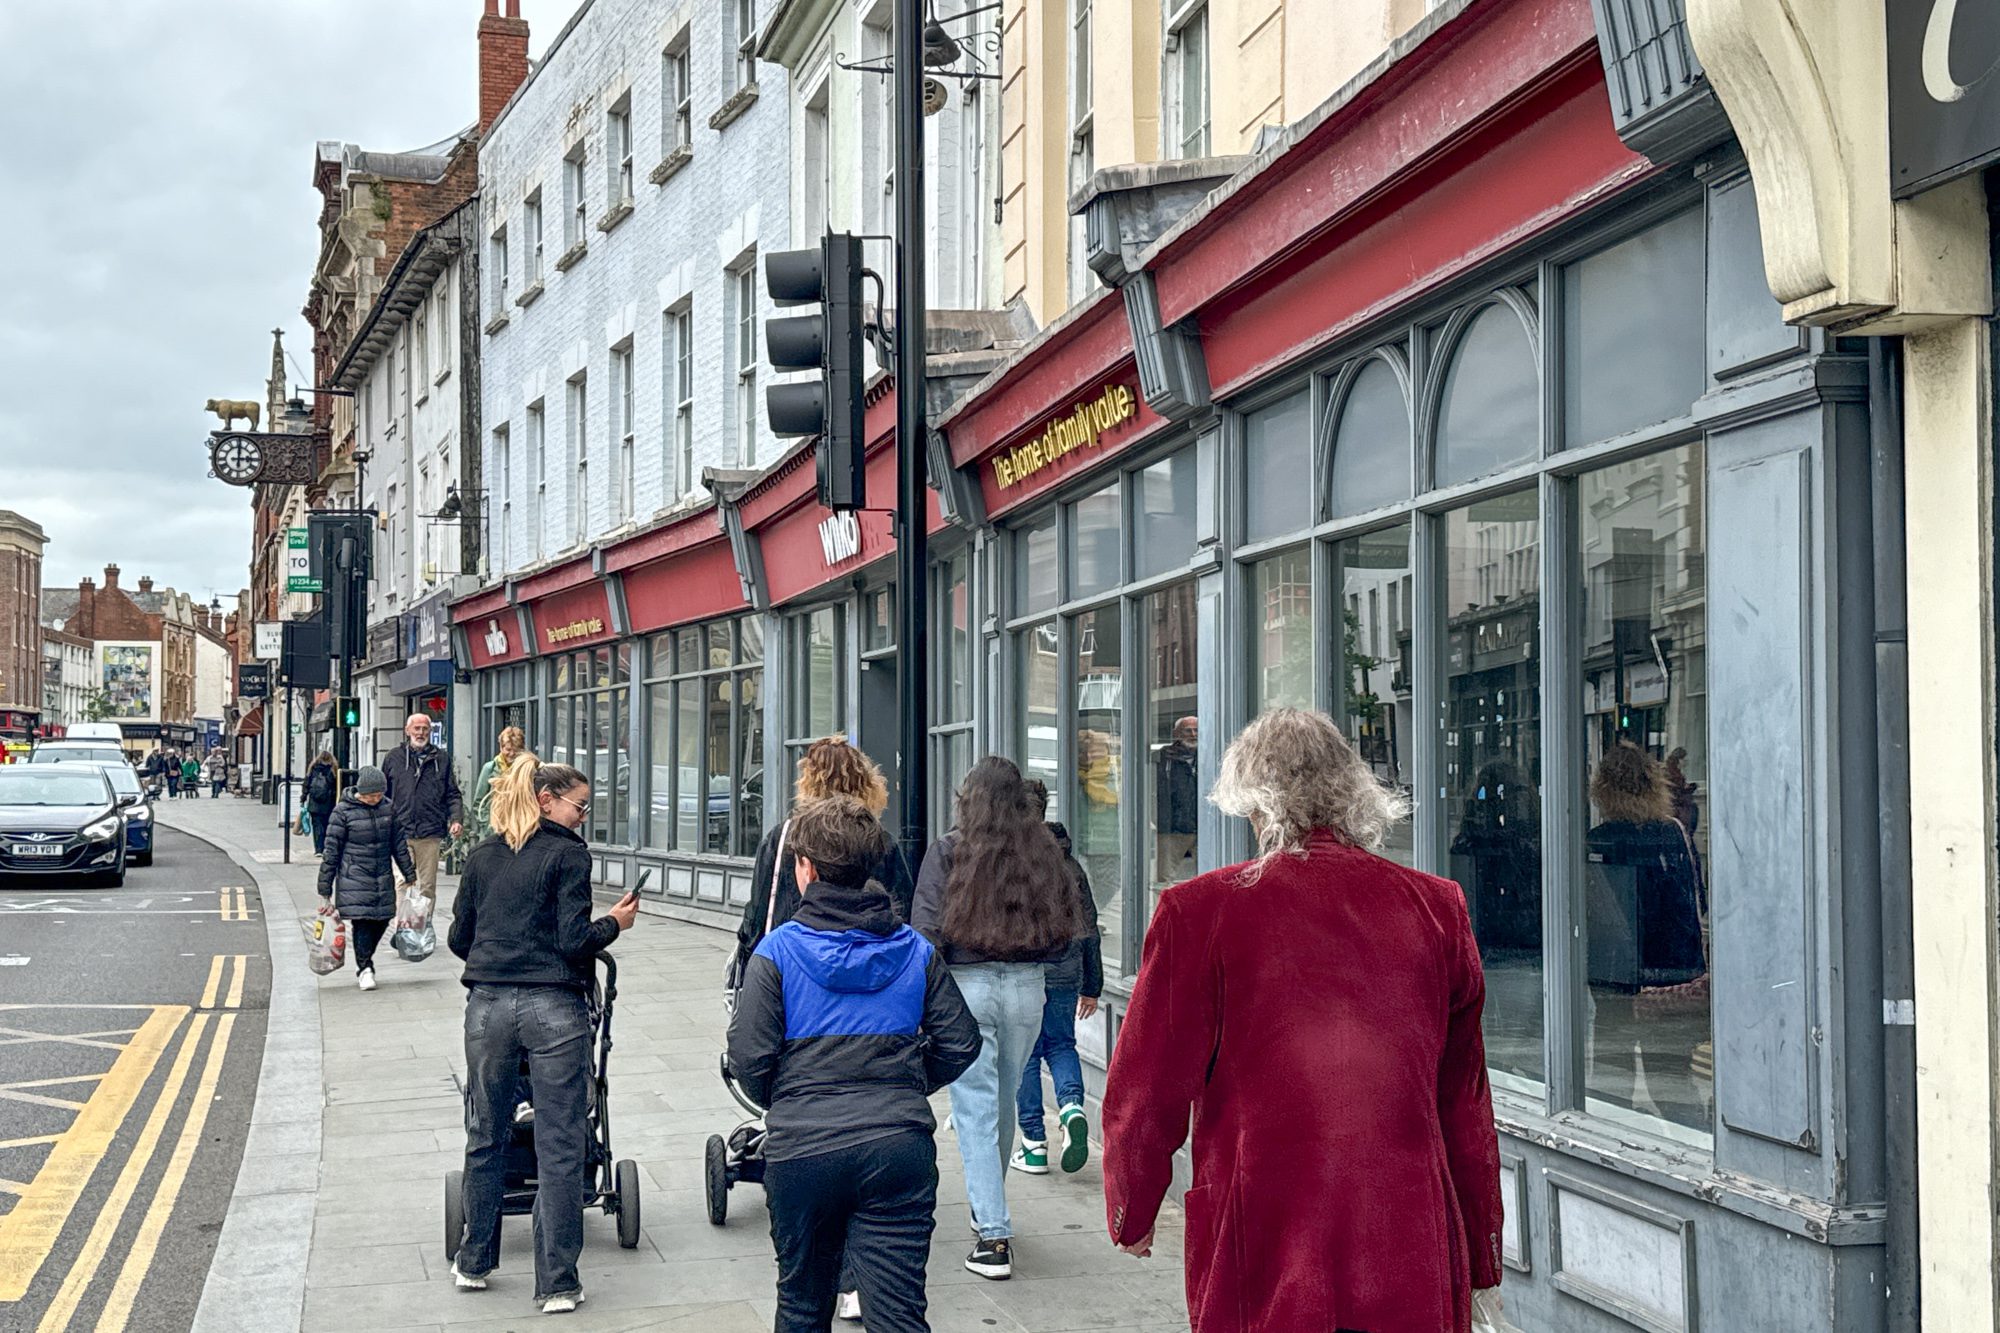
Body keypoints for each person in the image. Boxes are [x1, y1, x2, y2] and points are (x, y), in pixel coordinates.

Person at [1102, 708, 1506, 1333]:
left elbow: (1148, 1084)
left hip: (1264, 1226)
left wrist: (1133, 1205)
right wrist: (1481, 1250)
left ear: (1254, 804)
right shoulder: (1436, 907)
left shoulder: (1199, 911)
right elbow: (1465, 1100)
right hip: (1406, 1232)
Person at [727, 795, 982, 1333]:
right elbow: (960, 1042)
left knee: (802, 1306)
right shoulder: (915, 950)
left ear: (805, 869)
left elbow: (748, 1058)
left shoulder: (776, 952)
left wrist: (791, 1095)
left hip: (803, 1148)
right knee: (899, 1314)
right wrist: (905, 1083)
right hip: (897, 1145)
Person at [447, 755, 638, 1314]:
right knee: (559, 1144)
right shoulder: (568, 854)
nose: (583, 816)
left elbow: (460, 938)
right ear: (546, 801)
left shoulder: (482, 855)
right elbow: (574, 940)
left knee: (486, 1133)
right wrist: (616, 923)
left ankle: (474, 1262)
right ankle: (556, 1283)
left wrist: (497, 957)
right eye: (580, 805)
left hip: (487, 1007)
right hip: (553, 1006)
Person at [912, 756, 1083, 1281]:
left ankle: (993, 1235)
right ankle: (990, 1210)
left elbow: (925, 932)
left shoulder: (949, 850)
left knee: (975, 1109)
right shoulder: (1042, 853)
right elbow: (1068, 929)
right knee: (1002, 1100)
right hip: (1029, 988)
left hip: (968, 987)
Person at [737, 737, 915, 978]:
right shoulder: (880, 841)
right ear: (865, 782)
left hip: (792, 964)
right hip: (867, 967)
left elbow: (758, 911)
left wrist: (752, 965)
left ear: (808, 782)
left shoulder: (783, 838)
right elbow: (903, 909)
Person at [1010, 780, 1102, 1178]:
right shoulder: (1069, 864)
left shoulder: (1012, 864)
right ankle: (1072, 1107)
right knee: (1062, 1045)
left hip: (1026, 972)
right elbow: (1090, 926)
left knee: (1028, 1055)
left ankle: (1034, 1145)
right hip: (1066, 971)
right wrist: (1092, 986)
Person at [315, 765, 417, 992]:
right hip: (354, 877)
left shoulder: (388, 808)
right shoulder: (342, 812)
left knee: (383, 919)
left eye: (379, 794)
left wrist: (409, 873)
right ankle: (365, 968)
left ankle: (364, 960)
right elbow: (331, 852)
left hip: (382, 875)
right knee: (362, 921)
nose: (375, 799)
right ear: (360, 792)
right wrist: (324, 887)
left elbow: (398, 845)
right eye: (371, 795)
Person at [382, 712, 464, 916]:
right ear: (407, 731)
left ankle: (422, 926)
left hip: (430, 832)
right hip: (401, 831)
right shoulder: (393, 758)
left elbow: (452, 793)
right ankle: (404, 926)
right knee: (403, 882)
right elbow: (383, 795)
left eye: (425, 729)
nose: (420, 733)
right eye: (417, 728)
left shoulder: (441, 759)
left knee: (427, 886)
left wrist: (456, 819)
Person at [1152, 716, 1198, 882]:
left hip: (1203, 826)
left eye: (1196, 730)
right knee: (1165, 877)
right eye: (1188, 730)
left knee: (1212, 874)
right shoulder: (1162, 758)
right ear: (1176, 734)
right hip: (1171, 828)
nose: (1193, 734)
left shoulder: (1210, 755)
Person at [470, 726, 526, 841]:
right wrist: (489, 827)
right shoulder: (489, 769)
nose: (512, 754)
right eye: (508, 749)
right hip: (493, 831)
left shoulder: (525, 770)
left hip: (518, 831)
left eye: (516, 750)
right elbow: (479, 803)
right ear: (501, 747)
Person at [304, 751, 339, 856]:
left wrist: (303, 797)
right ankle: (326, 848)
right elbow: (336, 786)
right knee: (327, 825)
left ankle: (318, 849)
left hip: (314, 804)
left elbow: (306, 784)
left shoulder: (313, 768)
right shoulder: (333, 769)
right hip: (328, 803)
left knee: (317, 826)